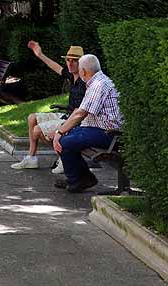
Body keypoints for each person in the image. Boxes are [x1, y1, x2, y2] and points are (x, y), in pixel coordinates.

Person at [50, 54, 124, 193]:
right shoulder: (96, 82)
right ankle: (82, 178)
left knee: (65, 142)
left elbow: (81, 113)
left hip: (110, 134)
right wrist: (62, 129)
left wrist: (59, 132)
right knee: (68, 135)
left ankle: (78, 180)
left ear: (83, 71)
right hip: (99, 129)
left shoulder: (98, 84)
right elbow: (80, 110)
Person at [11, 43, 88, 172]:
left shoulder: (84, 81)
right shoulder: (71, 75)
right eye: (68, 60)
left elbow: (80, 113)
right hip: (67, 115)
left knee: (37, 130)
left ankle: (64, 158)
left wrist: (61, 129)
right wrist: (40, 54)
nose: (70, 63)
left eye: (74, 61)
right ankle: (31, 158)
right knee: (32, 118)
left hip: (74, 120)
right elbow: (56, 67)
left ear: (81, 63)